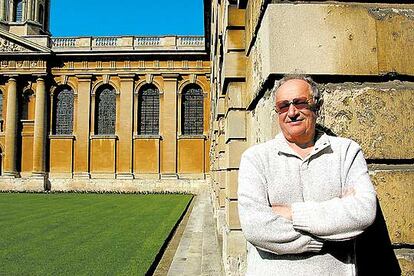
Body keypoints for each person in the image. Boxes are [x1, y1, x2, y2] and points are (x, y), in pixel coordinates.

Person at [237, 75, 377, 275]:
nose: (292, 112)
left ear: (317, 107)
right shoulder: (255, 158)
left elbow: (363, 212)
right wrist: (330, 236)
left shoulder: (346, 151)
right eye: (283, 106)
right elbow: (255, 227)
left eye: (300, 103)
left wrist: (292, 213)